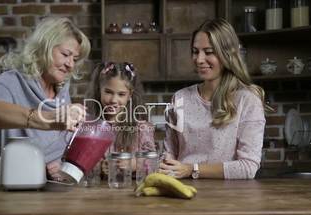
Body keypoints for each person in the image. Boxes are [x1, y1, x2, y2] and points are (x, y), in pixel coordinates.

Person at [0, 16, 91, 182]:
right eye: (65, 54)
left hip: (44, 192)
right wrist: (47, 118)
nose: (70, 64)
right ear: (43, 49)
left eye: (74, 59)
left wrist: (60, 166)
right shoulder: (12, 81)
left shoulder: (62, 91)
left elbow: (53, 147)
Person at [160, 18, 272, 180]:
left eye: (209, 52)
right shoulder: (179, 98)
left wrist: (192, 169)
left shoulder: (247, 100)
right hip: (182, 192)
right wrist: (163, 163)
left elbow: (248, 167)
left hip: (227, 199)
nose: (199, 59)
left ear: (227, 54)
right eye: (195, 51)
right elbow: (169, 153)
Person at [85, 62, 156, 175]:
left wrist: (134, 164)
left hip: (132, 189)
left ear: (130, 95)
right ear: (99, 90)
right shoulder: (89, 127)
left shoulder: (142, 128)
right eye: (108, 92)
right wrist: (99, 166)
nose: (113, 100)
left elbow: (154, 163)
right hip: (99, 190)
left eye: (121, 94)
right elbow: (81, 160)